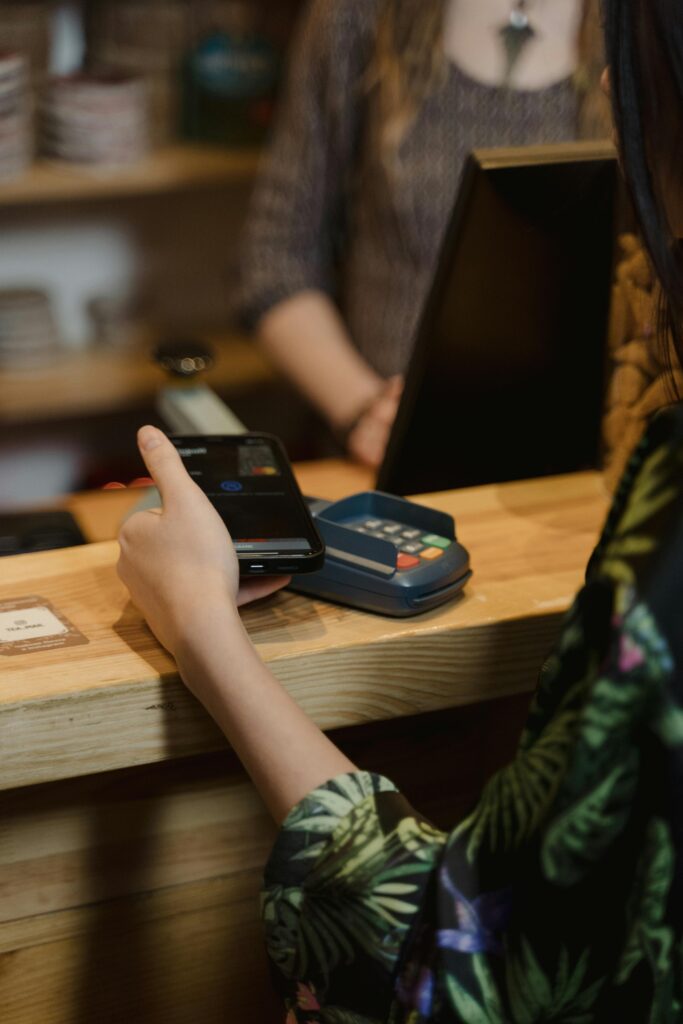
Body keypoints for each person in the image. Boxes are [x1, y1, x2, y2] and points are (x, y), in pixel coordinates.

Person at [117, 0, 683, 1017]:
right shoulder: (360, 23)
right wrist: (359, 403)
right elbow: (274, 260)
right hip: (379, 473)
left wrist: (198, 621)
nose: (605, 96)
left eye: (629, 86)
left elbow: (467, 957)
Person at [239, 0, 611, 468]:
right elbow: (274, 257)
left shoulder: (642, 26)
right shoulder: (360, 15)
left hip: (584, 466)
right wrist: (364, 412)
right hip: (387, 464)